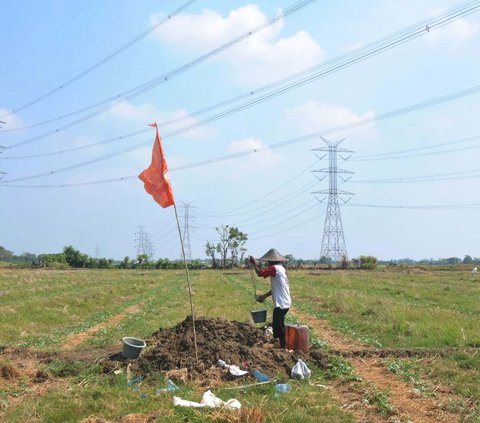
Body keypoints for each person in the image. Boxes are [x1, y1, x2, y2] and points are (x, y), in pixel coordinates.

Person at [249, 248, 291, 349]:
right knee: (277, 324)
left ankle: (282, 347)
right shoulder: (281, 269)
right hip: (284, 302)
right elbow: (274, 289)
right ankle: (280, 345)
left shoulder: (275, 268)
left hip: (282, 303)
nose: (268, 264)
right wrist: (263, 296)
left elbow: (260, 273)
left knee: (278, 326)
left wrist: (254, 263)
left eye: (268, 261)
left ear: (271, 261)